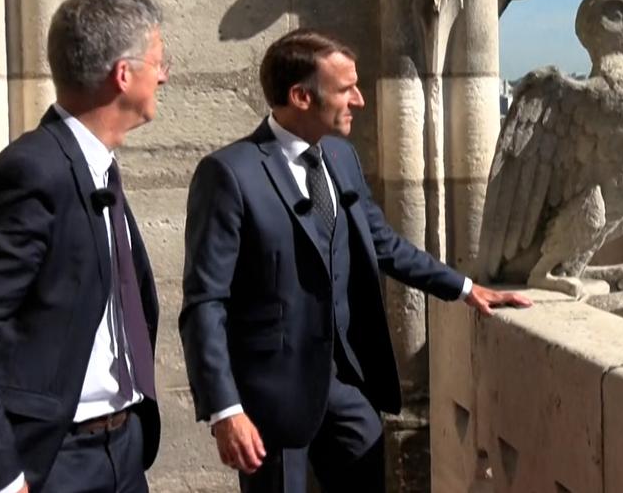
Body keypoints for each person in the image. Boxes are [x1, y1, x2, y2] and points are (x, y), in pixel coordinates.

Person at [179, 29, 531, 492]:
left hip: (350, 389)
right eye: (346, 89)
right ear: (301, 96)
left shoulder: (341, 158)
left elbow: (383, 243)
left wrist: (463, 288)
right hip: (272, 402)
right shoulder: (229, 174)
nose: (359, 100)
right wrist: (227, 409)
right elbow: (206, 301)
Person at [0, 0, 170, 493]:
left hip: (121, 453)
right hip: (52, 463)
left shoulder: (96, 164)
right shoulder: (36, 170)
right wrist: (2, 478)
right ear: (123, 75)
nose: (163, 75)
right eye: (158, 62)